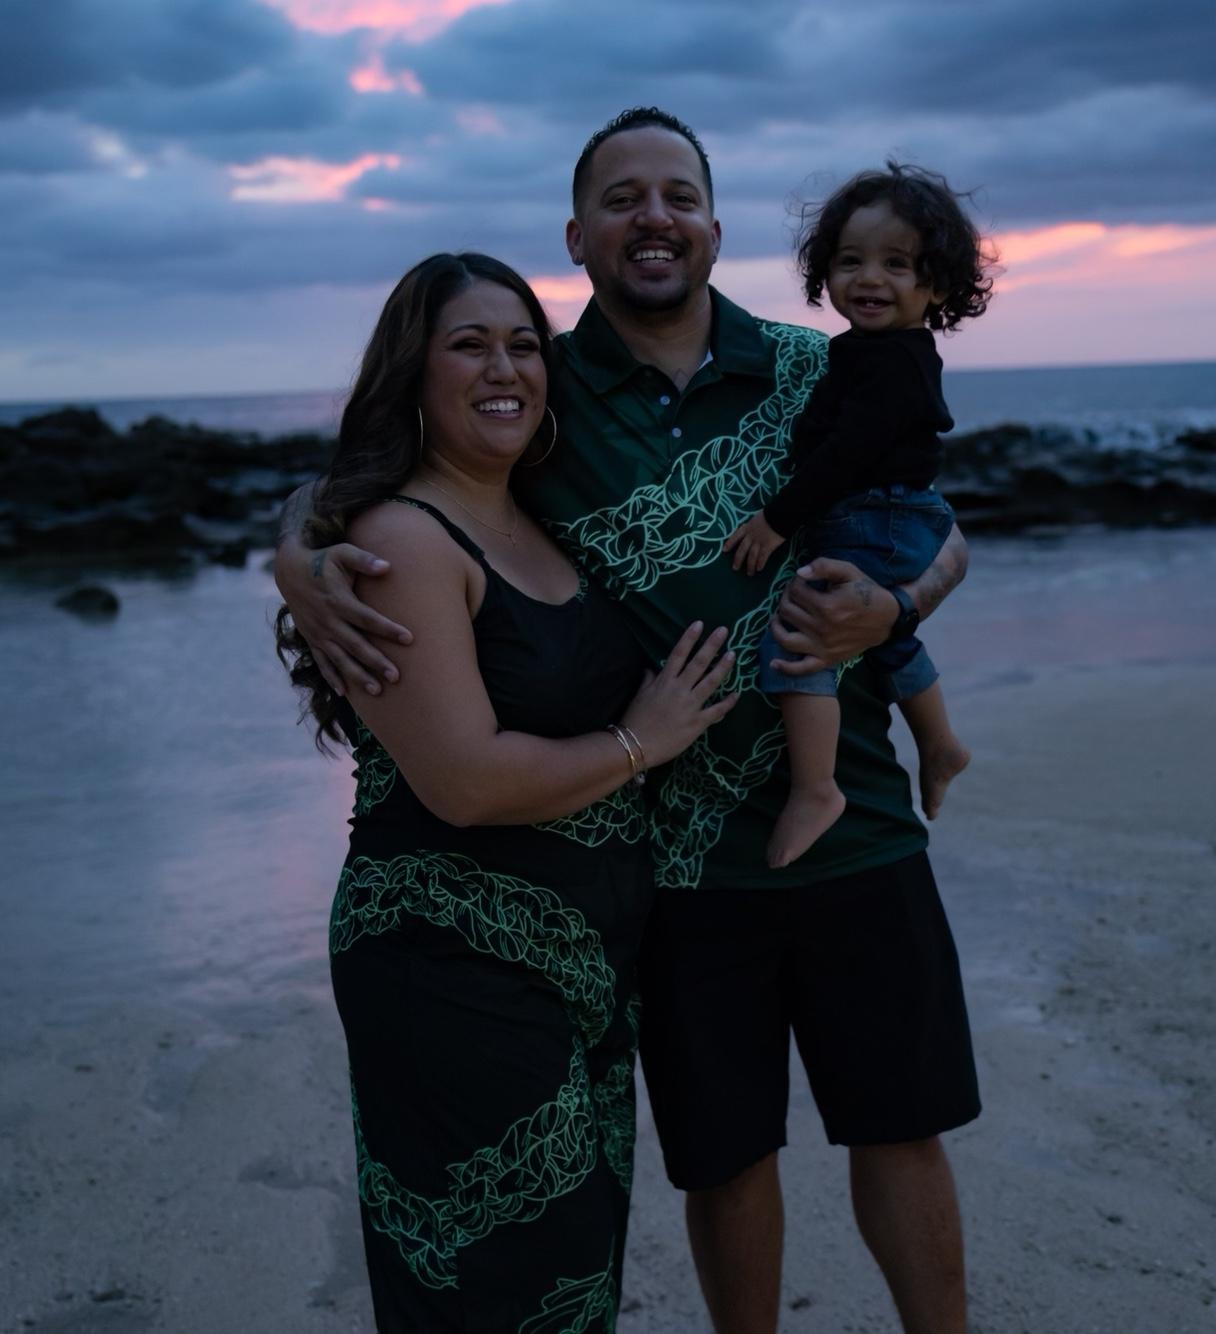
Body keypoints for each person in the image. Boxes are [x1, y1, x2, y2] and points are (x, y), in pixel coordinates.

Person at [277, 109, 980, 1334]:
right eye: (621, 198)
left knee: (901, 1123)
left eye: (677, 196)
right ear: (577, 235)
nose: (653, 217)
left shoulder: (814, 368)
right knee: (724, 1155)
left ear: (712, 225)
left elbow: (939, 526)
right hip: (673, 859)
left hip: (856, 819)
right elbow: (405, 463)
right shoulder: (546, 393)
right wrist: (297, 551)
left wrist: (898, 603)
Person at [274, 250, 737, 1332]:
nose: (504, 367)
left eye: (524, 345)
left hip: (586, 968)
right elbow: (465, 781)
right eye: (469, 344)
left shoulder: (540, 513)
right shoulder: (402, 539)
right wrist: (642, 738)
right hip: (452, 968)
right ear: (413, 371)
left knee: (568, 1278)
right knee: (491, 1289)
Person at [722, 160, 991, 868]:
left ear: (937, 285)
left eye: (897, 264)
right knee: (887, 639)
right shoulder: (875, 352)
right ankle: (940, 743)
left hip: (878, 514)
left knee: (800, 635)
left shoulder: (892, 362)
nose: (870, 278)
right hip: (896, 515)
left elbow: (847, 453)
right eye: (851, 261)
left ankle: (817, 788)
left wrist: (776, 520)